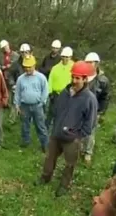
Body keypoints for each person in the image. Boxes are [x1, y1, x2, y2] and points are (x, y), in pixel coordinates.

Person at [35, 61, 97, 197]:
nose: (74, 81)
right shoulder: (64, 92)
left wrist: (78, 136)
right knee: (49, 158)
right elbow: (57, 110)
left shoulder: (89, 99)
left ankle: (64, 185)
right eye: (73, 77)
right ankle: (45, 177)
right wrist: (56, 126)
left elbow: (90, 122)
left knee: (70, 164)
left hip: (72, 139)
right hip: (56, 134)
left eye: (78, 78)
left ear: (85, 79)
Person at [14, 55, 49, 153]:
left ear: (34, 65)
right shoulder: (21, 79)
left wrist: (41, 102)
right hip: (24, 105)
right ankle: (26, 141)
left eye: (29, 67)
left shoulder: (41, 77)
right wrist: (17, 105)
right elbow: (17, 92)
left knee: (40, 126)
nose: (27, 69)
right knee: (25, 125)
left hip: (37, 105)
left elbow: (45, 91)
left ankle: (45, 144)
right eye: (26, 67)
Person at [81, 52, 110, 164]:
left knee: (90, 132)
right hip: (80, 108)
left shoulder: (103, 80)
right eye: (87, 62)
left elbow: (105, 97)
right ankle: (78, 148)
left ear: (97, 63)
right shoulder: (82, 75)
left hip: (94, 110)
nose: (88, 64)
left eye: (91, 62)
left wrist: (101, 112)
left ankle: (88, 152)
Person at [46, 46, 74, 130]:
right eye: (64, 56)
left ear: (70, 57)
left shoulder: (74, 67)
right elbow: (50, 80)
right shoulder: (55, 68)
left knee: (66, 114)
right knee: (52, 113)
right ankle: (49, 130)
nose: (65, 58)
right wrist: (50, 92)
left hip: (69, 95)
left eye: (67, 57)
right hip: (56, 94)